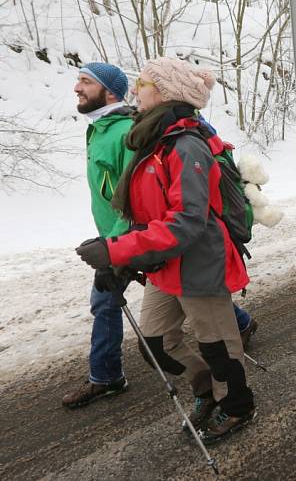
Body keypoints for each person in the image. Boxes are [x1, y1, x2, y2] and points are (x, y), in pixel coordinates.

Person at [75, 57, 256, 443]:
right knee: (156, 343)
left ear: (164, 94)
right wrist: (120, 257)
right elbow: (143, 214)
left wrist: (118, 250)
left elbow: (187, 222)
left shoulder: (186, 144)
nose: (135, 90)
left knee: (219, 346)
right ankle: (206, 390)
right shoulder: (151, 138)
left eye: (142, 83)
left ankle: (237, 406)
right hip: (165, 262)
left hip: (200, 263)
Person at [62, 63, 134, 409]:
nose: (77, 87)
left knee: (178, 295)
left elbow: (136, 198)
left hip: (131, 238)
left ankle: (106, 378)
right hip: (114, 236)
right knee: (178, 295)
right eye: (78, 80)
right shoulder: (100, 128)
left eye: (86, 81)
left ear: (110, 92)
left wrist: (112, 246)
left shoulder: (125, 132)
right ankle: (106, 376)